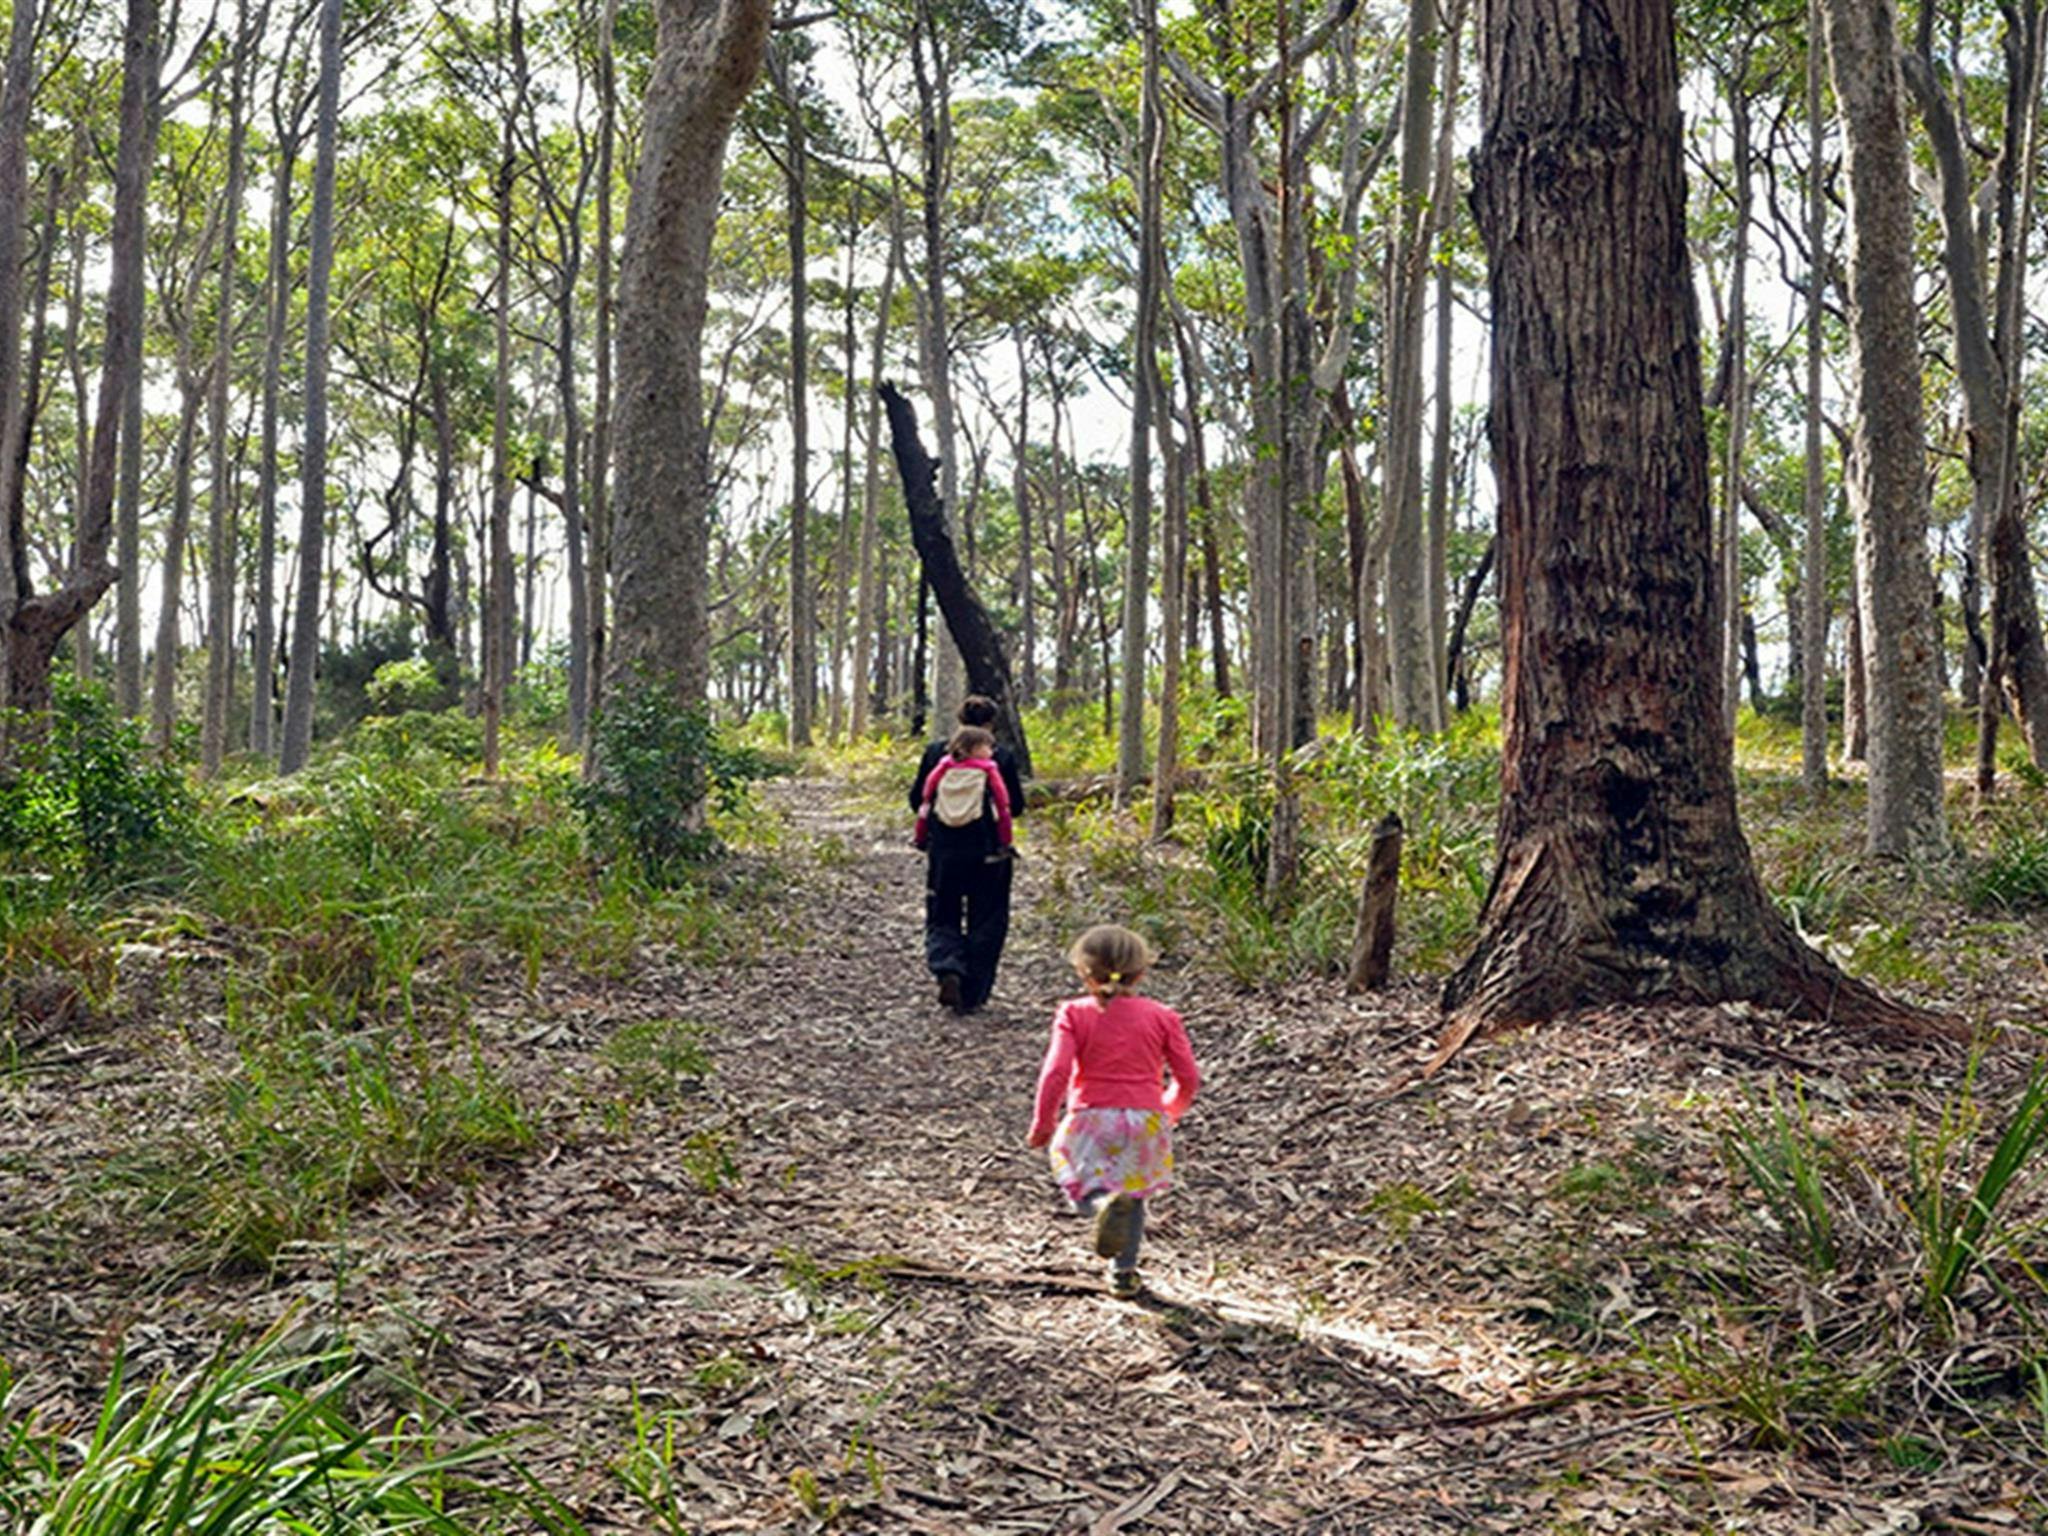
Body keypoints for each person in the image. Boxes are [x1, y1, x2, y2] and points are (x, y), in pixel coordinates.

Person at [1027, 924, 1200, 1297]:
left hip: (1091, 1116)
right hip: (1145, 1119)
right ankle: (1123, 1273)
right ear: (1142, 972)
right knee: (1133, 1194)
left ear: (1083, 972)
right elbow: (1188, 1076)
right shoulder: (1163, 1016)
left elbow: (1056, 1071)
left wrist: (1044, 1121)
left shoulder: (1074, 1013)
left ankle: (1098, 1204)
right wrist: (1170, 1109)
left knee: (1072, 1171)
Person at [909, 696, 1025, 1013]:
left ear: (959, 720)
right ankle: (973, 993)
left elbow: (916, 799)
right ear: (991, 724)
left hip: (944, 854)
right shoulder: (1000, 757)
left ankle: (948, 968)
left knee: (942, 913)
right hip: (990, 854)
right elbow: (1015, 805)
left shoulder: (937, 753)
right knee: (988, 919)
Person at [913, 725, 1014, 851]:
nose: (992, 751)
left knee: (923, 814)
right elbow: (1000, 791)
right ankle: (1004, 844)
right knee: (1003, 816)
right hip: (975, 818)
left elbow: (931, 781)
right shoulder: (989, 767)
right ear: (974, 748)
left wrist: (926, 797)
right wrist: (1004, 804)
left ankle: (919, 839)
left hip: (945, 814)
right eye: (988, 747)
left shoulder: (946, 763)